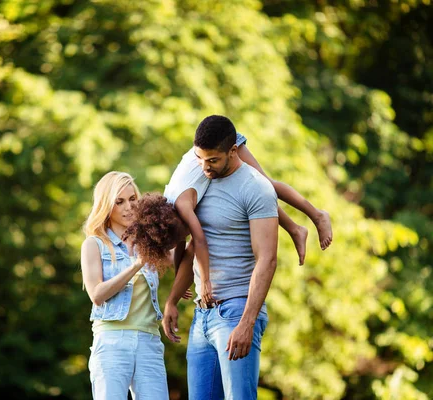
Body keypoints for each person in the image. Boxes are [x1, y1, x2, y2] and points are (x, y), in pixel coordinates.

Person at [163, 115, 281, 400]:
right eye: (201, 158)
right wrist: (172, 299)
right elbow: (193, 248)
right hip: (203, 316)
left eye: (213, 160)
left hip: (236, 311)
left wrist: (247, 323)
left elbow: (267, 259)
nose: (205, 166)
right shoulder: (200, 183)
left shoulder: (255, 188)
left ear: (233, 151)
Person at [164, 130, 332, 305]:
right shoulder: (167, 212)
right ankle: (295, 229)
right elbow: (180, 247)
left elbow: (199, 241)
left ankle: (317, 215)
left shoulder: (182, 207)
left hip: (221, 141)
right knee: (262, 190)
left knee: (266, 184)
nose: (182, 239)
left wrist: (205, 280)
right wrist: (178, 276)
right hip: (207, 151)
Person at [81, 171, 187, 400]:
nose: (128, 207)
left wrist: (181, 283)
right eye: (119, 202)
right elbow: (97, 295)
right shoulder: (95, 244)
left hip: (148, 340)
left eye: (132, 199)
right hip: (111, 341)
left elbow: (183, 255)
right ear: (106, 205)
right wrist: (136, 265)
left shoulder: (150, 241)